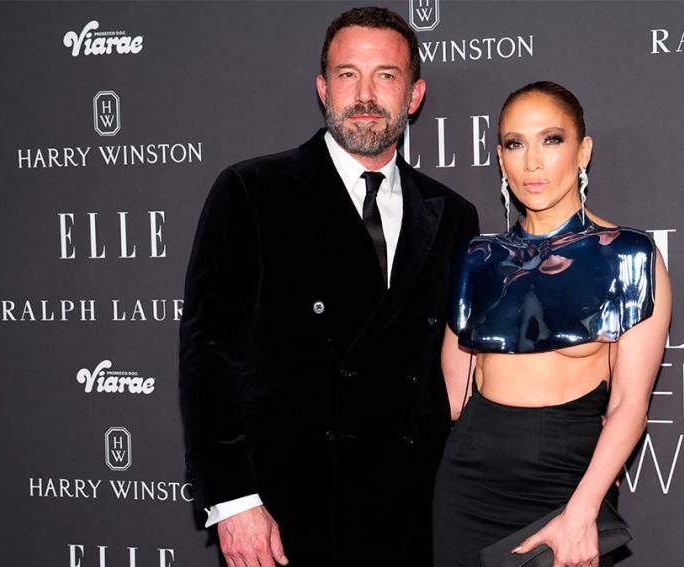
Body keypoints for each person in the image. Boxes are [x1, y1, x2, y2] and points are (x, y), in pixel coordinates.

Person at [179, 6, 479, 567]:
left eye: (385, 75)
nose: (365, 95)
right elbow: (209, 354)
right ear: (323, 89)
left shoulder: (453, 214)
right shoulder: (252, 191)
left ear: (414, 95)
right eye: (347, 75)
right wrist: (233, 500)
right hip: (285, 515)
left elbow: (455, 372)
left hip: (412, 517)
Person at [433, 81, 672, 567]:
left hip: (566, 484)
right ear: (500, 159)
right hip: (468, 483)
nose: (532, 163)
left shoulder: (628, 255)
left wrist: (583, 513)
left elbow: (629, 404)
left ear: (583, 151)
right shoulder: (479, 258)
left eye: (551, 140)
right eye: (515, 144)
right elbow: (455, 396)